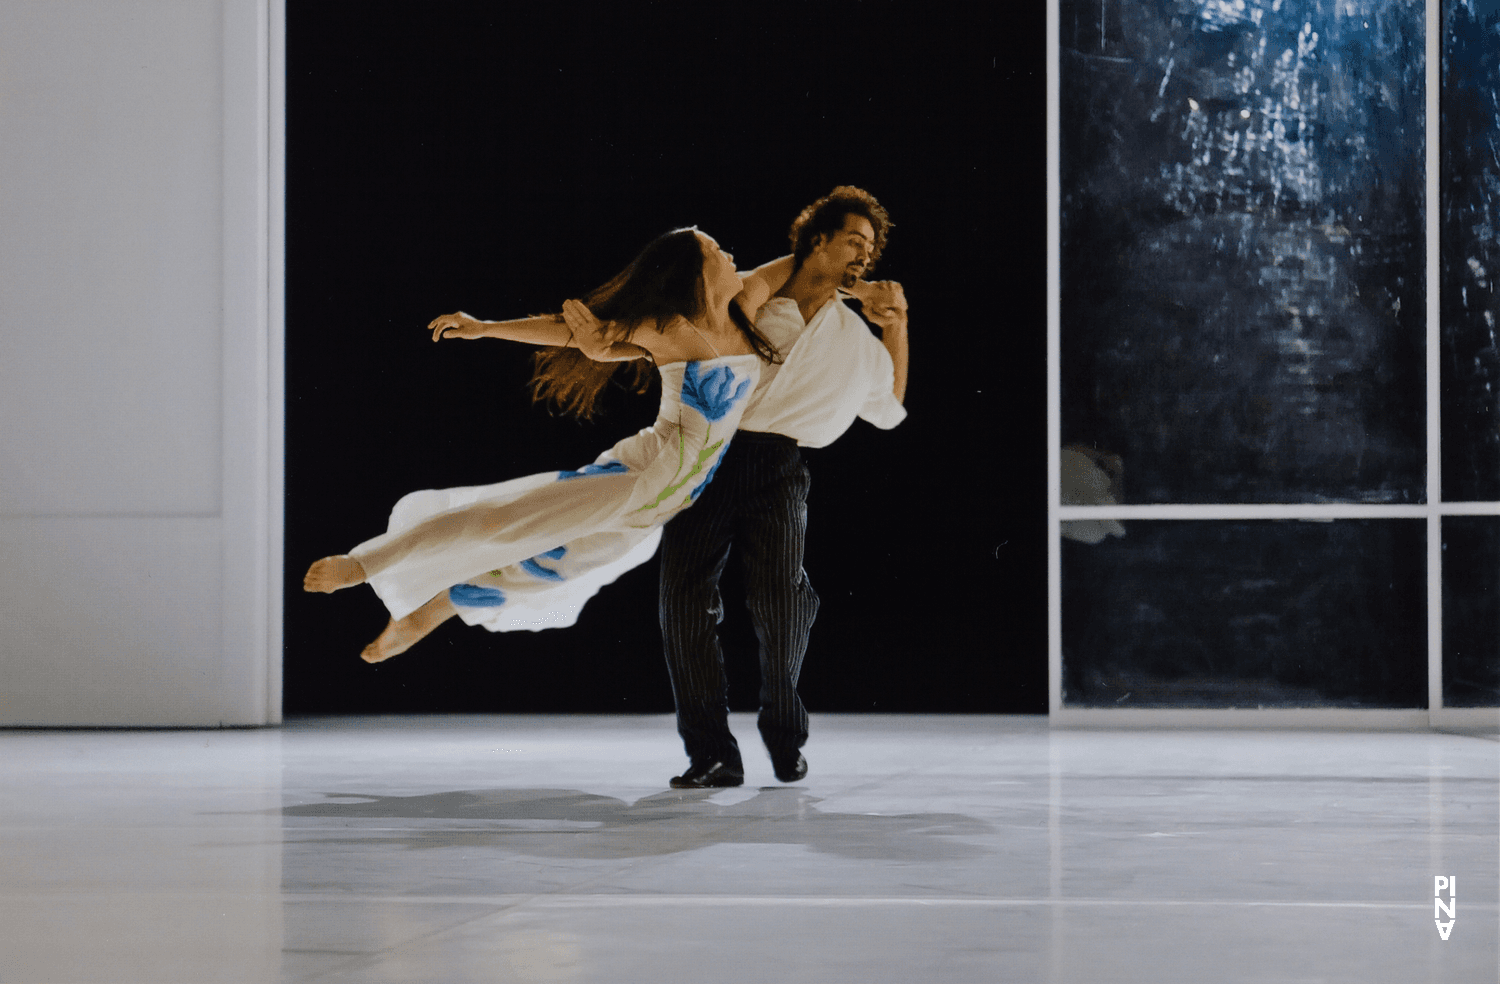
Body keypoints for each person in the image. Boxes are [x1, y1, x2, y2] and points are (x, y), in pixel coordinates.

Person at [303, 228, 792, 662]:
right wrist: (486, 327)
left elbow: (800, 265)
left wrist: (855, 285)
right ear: (696, 273)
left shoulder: (745, 304)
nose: (730, 255)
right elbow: (572, 331)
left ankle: (422, 617)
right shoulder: (673, 330)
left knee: (542, 570)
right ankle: (363, 563)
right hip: (640, 479)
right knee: (502, 519)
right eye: (716, 250)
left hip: (661, 505)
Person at [659, 186, 910, 789]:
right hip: (712, 449)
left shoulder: (850, 334)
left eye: (869, 249)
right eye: (853, 241)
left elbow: (889, 406)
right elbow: (741, 296)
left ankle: (782, 724)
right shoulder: (755, 296)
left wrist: (897, 325)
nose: (863, 257)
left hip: (778, 466)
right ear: (818, 239)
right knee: (683, 602)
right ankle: (711, 751)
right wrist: (814, 273)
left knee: (783, 602)